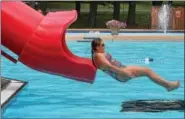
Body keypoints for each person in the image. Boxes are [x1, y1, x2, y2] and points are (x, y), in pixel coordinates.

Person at [91, 38, 180, 92]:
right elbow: (110, 67)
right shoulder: (98, 56)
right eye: (103, 45)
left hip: (122, 69)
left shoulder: (98, 54)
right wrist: (124, 73)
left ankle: (168, 85)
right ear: (97, 47)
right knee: (147, 71)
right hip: (121, 73)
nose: (104, 46)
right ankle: (169, 86)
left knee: (146, 70)